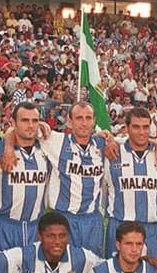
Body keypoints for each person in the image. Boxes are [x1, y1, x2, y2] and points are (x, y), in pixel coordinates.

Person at [39, 102, 109, 256]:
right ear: (70, 121)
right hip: (65, 219)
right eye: (79, 118)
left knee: (92, 269)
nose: (84, 123)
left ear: (94, 120)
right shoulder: (56, 141)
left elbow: (136, 142)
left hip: (92, 220)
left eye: (88, 118)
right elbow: (23, 128)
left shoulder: (102, 145)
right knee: (64, 270)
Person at [102, 107, 157, 255]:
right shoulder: (112, 153)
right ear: (127, 128)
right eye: (136, 127)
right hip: (120, 225)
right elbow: (93, 138)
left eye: (146, 127)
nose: (141, 132)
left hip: (152, 228)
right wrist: (110, 140)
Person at [0, 102, 52, 251]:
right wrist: (9, 146)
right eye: (24, 120)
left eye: (34, 121)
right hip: (5, 227)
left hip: (35, 227)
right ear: (14, 122)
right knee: (4, 272)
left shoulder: (48, 148)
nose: (30, 125)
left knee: (33, 272)